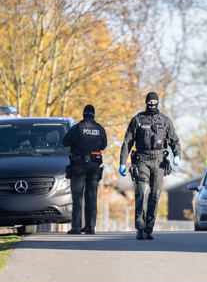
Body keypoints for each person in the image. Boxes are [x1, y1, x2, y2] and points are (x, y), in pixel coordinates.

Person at [118, 92, 182, 240]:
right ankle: (140, 228)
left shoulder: (165, 121)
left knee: (155, 195)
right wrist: (122, 162)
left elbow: (175, 140)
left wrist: (177, 155)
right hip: (142, 160)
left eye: (154, 101)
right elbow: (127, 142)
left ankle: (149, 228)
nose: (152, 103)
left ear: (157, 102)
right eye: (150, 101)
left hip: (159, 161)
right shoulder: (138, 120)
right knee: (142, 191)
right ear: (146, 102)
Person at [62, 104, 107, 235]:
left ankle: (76, 227)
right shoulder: (100, 129)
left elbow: (65, 142)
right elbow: (103, 145)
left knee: (77, 196)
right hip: (94, 166)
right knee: (91, 196)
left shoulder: (77, 128)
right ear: (94, 115)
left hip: (79, 165)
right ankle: (91, 227)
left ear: (83, 114)